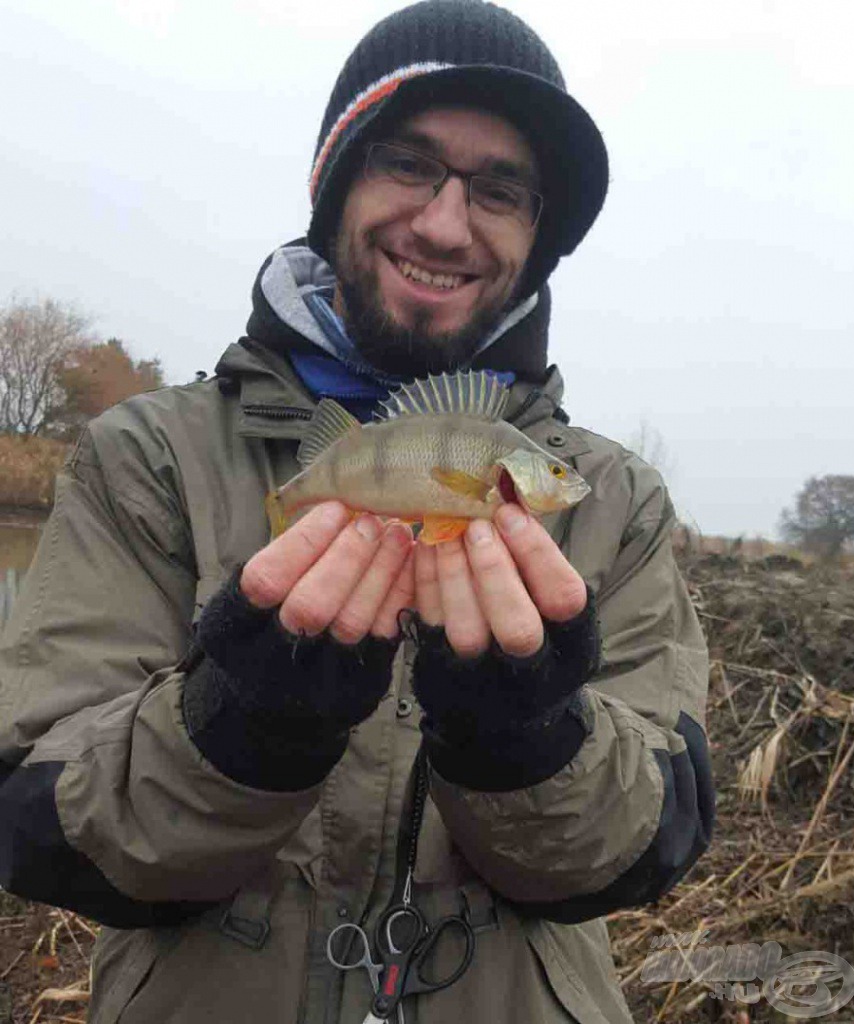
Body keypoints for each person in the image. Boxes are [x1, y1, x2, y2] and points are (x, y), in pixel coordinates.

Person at [0, 2, 714, 1021]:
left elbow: (646, 850)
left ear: (537, 236)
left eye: (500, 190)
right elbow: (35, 821)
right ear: (334, 186)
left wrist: (529, 738)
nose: (441, 222)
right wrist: (241, 725)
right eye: (406, 163)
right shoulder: (143, 457)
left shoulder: (623, 503)